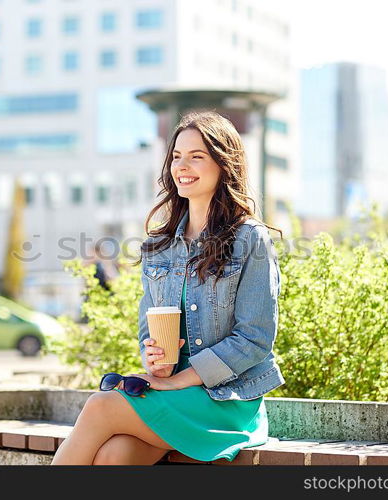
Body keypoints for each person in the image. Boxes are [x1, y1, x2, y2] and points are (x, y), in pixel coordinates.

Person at [51, 110, 285, 465]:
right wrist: (156, 362)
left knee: (102, 405)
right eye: (176, 156)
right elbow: (149, 328)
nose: (182, 166)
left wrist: (179, 381)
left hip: (226, 401)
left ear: (224, 164)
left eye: (196, 156)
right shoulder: (158, 245)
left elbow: (255, 338)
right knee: (114, 456)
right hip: (171, 393)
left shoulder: (249, 238)